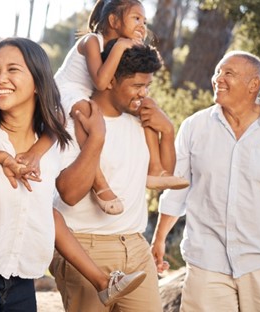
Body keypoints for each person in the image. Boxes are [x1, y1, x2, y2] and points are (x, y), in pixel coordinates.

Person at [0, 38, 146, 312]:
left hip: (22, 281)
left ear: (38, 82)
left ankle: (101, 281)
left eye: (13, 69)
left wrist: (92, 139)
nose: (1, 78)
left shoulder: (49, 144)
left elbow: (57, 196)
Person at [151, 51, 260, 311]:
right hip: (207, 259)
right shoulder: (194, 127)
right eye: (218, 72)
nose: (218, 79)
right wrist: (159, 238)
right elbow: (176, 189)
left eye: (229, 73)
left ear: (254, 85)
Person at [51, 40, 171, 311]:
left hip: (135, 246)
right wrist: (96, 138)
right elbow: (69, 194)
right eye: (137, 86)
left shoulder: (140, 122)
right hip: (85, 246)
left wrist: (169, 131)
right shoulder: (74, 121)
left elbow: (164, 176)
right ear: (110, 81)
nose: (144, 94)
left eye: (147, 86)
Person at [53, 0, 188, 215]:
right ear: (113, 21)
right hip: (66, 91)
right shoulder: (92, 41)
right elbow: (101, 82)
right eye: (136, 18)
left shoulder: (115, 50)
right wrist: (123, 45)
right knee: (87, 115)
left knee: (147, 108)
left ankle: (155, 169)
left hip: (89, 91)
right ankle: (100, 185)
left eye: (144, 21)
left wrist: (168, 130)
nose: (142, 26)